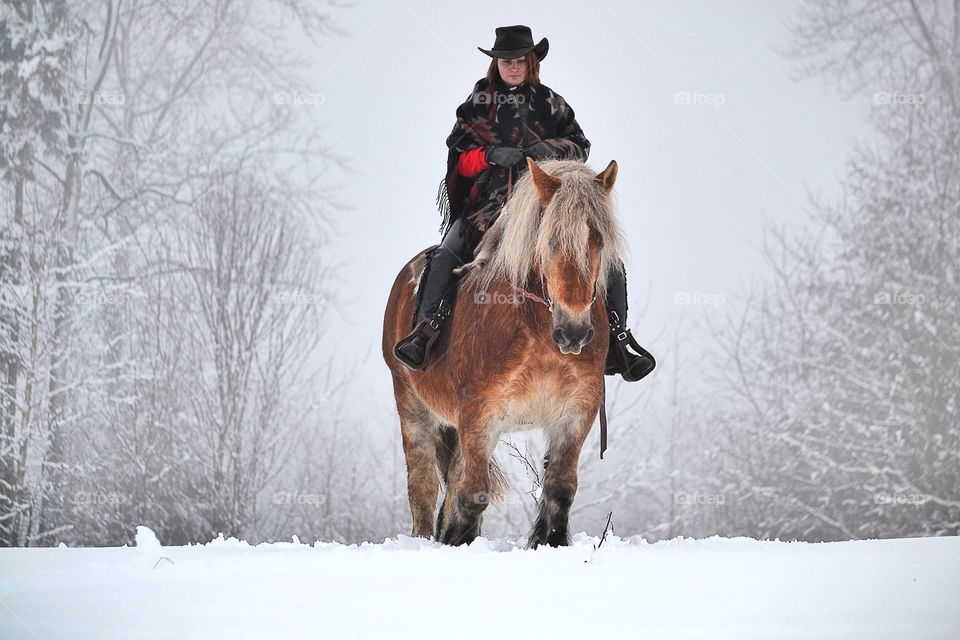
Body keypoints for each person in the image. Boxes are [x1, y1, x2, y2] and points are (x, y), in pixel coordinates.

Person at [394, 25, 654, 381]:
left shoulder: (551, 103)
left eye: (519, 60)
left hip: (542, 210)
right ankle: (424, 332)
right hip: (487, 208)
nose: (513, 67)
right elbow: (459, 158)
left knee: (607, 260)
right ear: (496, 64)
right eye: (505, 61)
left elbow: (580, 146)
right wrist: (489, 155)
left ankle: (618, 341)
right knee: (446, 255)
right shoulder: (476, 106)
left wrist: (551, 149)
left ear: (531, 62)